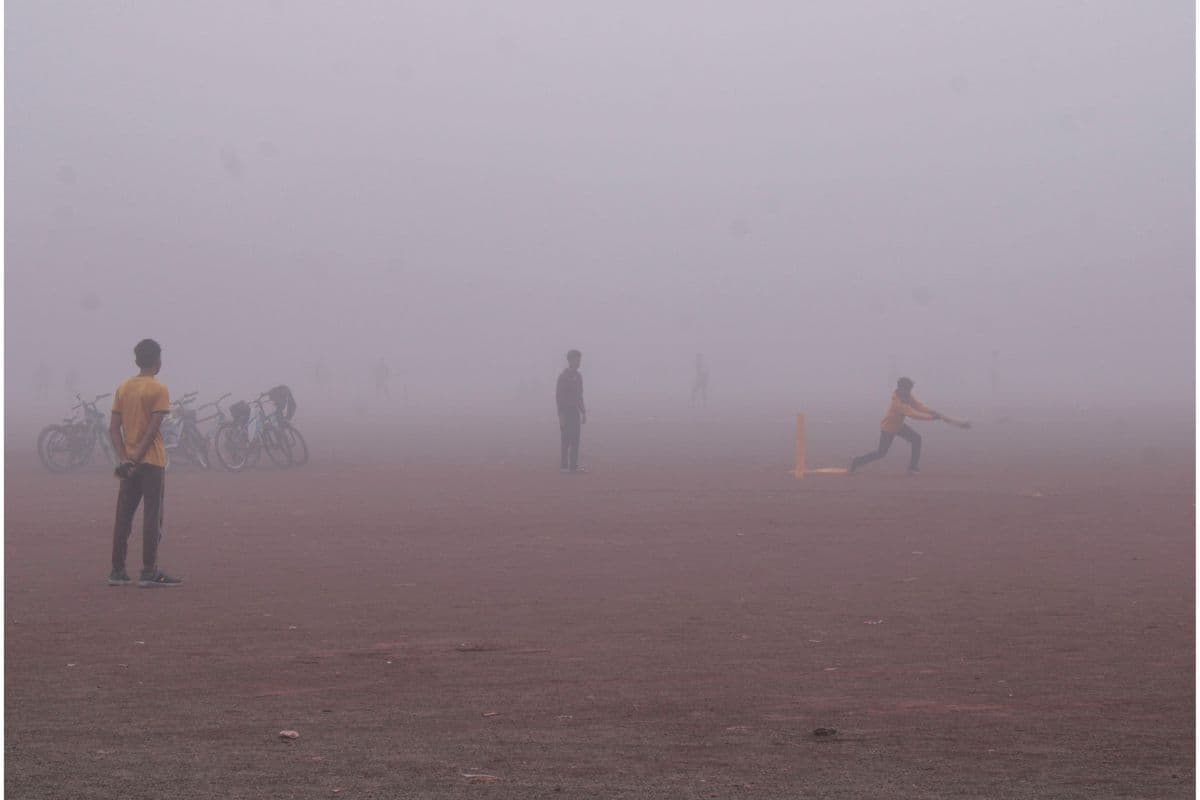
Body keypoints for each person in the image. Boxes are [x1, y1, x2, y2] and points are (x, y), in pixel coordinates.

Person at [108, 339, 182, 587]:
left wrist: (125, 459)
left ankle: (117, 571)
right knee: (152, 516)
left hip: (128, 463)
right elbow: (153, 430)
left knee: (123, 517)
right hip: (152, 462)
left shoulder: (123, 387)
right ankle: (149, 571)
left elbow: (113, 429)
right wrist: (137, 457)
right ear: (157, 361)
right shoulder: (158, 389)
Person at [849, 377, 941, 475]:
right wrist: (931, 418)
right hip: (888, 428)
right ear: (901, 388)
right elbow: (913, 414)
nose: (909, 391)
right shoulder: (897, 403)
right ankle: (857, 461)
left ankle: (913, 468)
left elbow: (918, 406)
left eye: (910, 389)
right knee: (881, 453)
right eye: (908, 389)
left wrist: (931, 411)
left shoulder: (907, 395)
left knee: (917, 439)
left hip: (899, 426)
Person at [556, 349, 586, 473]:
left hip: (575, 412)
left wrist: (583, 411)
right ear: (570, 360)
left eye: (579, 359)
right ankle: (564, 466)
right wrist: (561, 416)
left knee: (576, 439)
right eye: (576, 359)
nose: (578, 362)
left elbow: (580, 395)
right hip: (566, 412)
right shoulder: (563, 377)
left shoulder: (579, 377)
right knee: (566, 439)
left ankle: (573, 465)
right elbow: (559, 397)